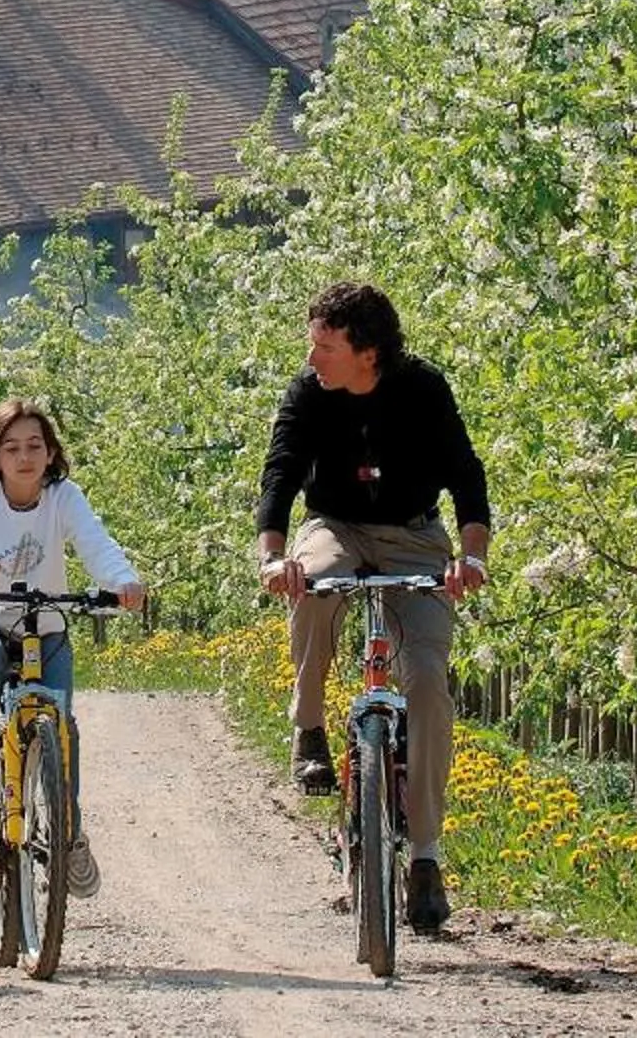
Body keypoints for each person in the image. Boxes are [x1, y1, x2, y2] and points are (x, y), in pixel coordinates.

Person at [256, 281, 492, 935]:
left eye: (325, 346)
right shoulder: (308, 394)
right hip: (335, 527)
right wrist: (273, 557)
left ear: (367, 351)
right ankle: (308, 727)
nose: (312, 359)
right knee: (311, 583)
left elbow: (467, 478)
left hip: (415, 538)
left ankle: (424, 858)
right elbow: (279, 475)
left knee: (426, 679)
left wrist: (470, 558)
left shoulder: (423, 390)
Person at [0, 397, 145, 900]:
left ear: (50, 454)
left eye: (34, 446)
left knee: (59, 722)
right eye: (12, 448)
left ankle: (67, 830)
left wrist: (122, 581)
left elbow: (97, 544)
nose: (24, 457)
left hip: (44, 627)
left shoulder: (63, 497)